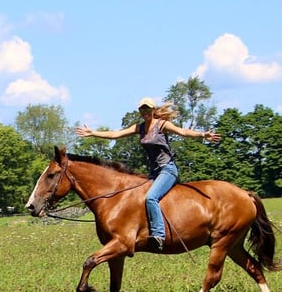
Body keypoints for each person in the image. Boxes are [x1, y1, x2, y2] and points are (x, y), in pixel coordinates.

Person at [75, 97, 221, 251]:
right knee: (136, 196)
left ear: (153, 110)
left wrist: (203, 135)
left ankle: (159, 234)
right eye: (142, 109)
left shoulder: (162, 125)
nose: (145, 112)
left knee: (151, 197)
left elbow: (182, 132)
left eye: (147, 109)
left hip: (167, 170)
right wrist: (93, 133)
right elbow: (115, 134)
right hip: (154, 173)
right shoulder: (140, 128)